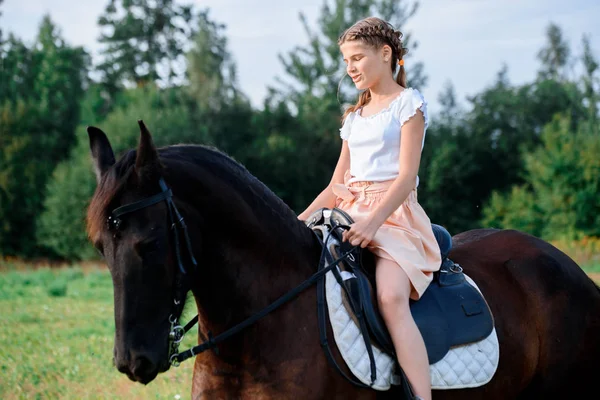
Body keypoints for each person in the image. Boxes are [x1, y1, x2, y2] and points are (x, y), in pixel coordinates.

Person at [298, 16, 441, 400]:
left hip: (394, 217)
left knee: (390, 298)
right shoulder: (353, 117)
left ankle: (421, 396)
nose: (351, 68)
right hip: (349, 211)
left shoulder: (407, 105)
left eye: (358, 58)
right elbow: (335, 186)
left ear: (385, 53)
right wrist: (297, 222)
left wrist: (374, 222)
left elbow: (407, 177)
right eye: (346, 61)